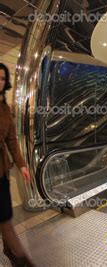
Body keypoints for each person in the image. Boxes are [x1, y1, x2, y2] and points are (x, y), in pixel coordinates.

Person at [0, 63, 33, 266]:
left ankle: (8, 249)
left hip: (2, 170)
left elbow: (12, 140)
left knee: (5, 216)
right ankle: (22, 261)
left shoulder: (5, 109)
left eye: (3, 78)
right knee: (4, 220)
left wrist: (21, 165)